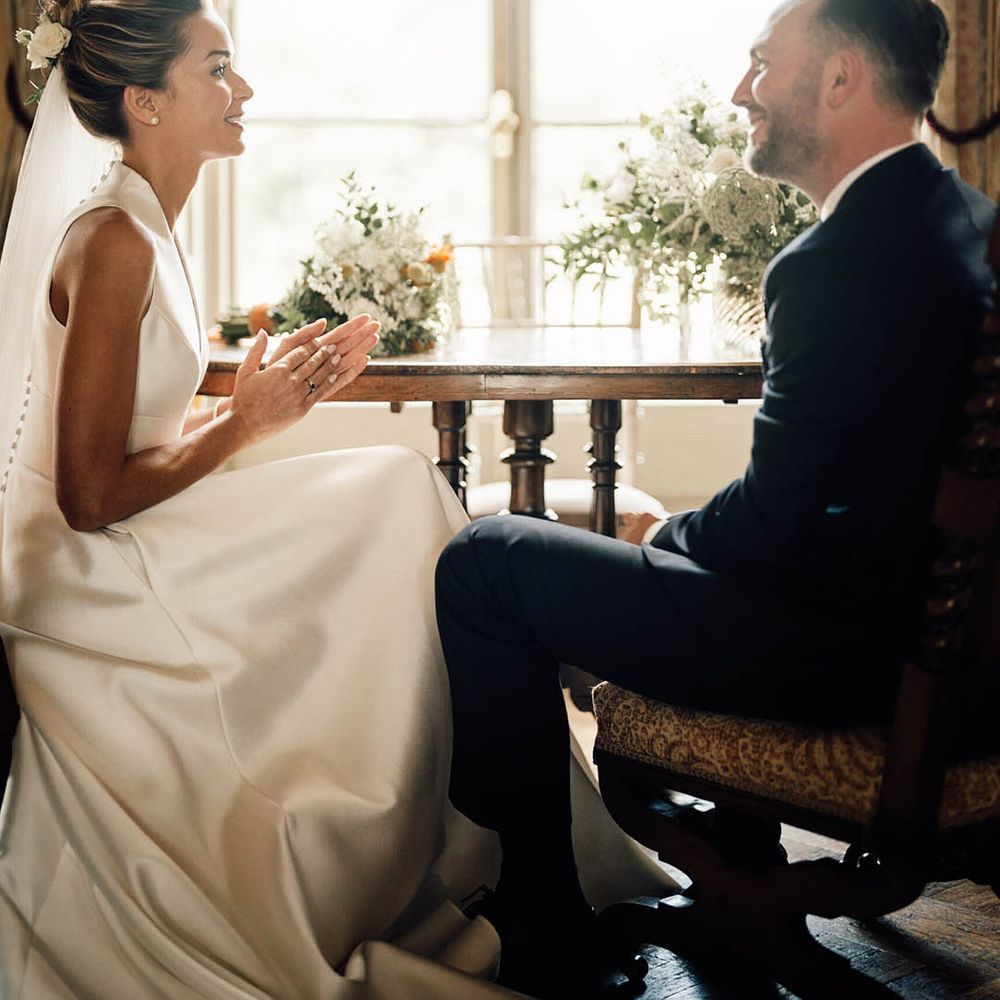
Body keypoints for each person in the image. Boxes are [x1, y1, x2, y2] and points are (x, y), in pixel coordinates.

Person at [0, 2, 671, 997]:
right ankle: (496, 849)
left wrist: (266, 408)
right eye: (218, 68)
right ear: (144, 101)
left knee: (399, 500)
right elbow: (91, 493)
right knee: (400, 495)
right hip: (84, 571)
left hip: (129, 533)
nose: (245, 91)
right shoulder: (112, 240)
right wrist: (242, 423)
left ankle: (496, 843)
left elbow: (130, 446)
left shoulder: (146, 221)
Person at [436, 0, 997, 995]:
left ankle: (540, 917)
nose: (740, 92)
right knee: (587, 550)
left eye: (758, 66)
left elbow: (776, 526)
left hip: (832, 652)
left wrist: (661, 535)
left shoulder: (833, 266)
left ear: (839, 81)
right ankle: (726, 877)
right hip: (939, 648)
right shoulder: (965, 221)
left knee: (488, 558)